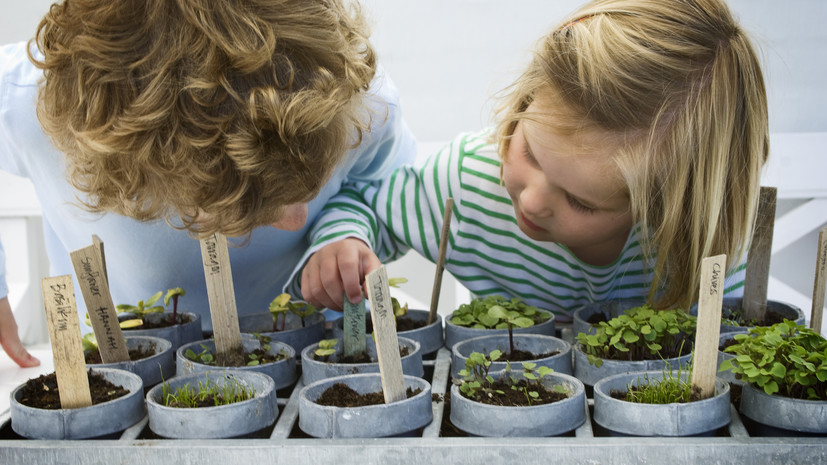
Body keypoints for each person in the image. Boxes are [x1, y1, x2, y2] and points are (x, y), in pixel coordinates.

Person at [291, 0, 768, 323]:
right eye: (530, 152)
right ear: (523, 103)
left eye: (581, 202)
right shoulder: (470, 180)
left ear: (670, 207)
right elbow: (367, 202)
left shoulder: (703, 247)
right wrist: (343, 241)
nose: (533, 200)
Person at [0, 0, 416, 367]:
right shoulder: (34, 108)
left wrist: (345, 232)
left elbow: (386, 189)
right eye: (252, 203)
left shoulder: (361, 103)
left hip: (310, 352)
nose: (298, 219)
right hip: (117, 364)